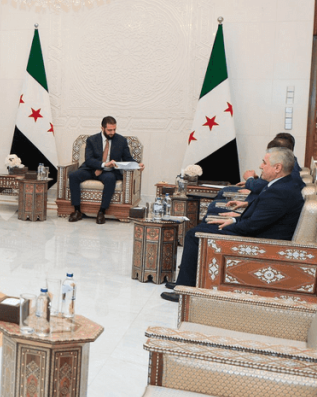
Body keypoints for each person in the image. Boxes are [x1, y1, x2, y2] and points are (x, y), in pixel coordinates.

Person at [161, 147, 304, 302]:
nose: (261, 166)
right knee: (203, 227)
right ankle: (188, 280)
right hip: (257, 231)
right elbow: (260, 217)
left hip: (260, 241)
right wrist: (234, 220)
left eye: (264, 163)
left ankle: (184, 290)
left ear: (277, 168)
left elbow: (252, 226)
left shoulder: (280, 191)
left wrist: (231, 224)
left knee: (194, 235)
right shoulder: (283, 184)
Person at [67, 116, 144, 224]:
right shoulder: (91, 140)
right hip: (91, 169)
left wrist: (137, 165)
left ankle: (101, 212)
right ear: (102, 128)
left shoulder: (121, 141)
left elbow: (127, 158)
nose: (112, 132)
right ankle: (77, 211)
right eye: (109, 130)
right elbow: (89, 160)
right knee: (73, 176)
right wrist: (104, 164)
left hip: (108, 171)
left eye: (114, 129)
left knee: (110, 179)